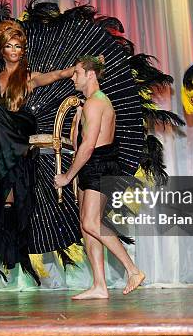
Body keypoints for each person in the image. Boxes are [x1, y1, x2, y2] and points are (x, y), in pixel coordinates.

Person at [0, 19, 76, 282]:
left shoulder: (28, 76)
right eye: (10, 46)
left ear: (23, 50)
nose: (15, 50)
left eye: (19, 46)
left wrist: (75, 69)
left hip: (21, 126)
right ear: (2, 50)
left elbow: (55, 75)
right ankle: (8, 239)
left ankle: (1, 170)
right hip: (1, 138)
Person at [54, 55, 145, 299]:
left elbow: (88, 147)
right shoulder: (89, 103)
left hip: (99, 164)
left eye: (76, 73)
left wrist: (67, 176)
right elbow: (78, 143)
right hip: (92, 165)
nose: (72, 77)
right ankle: (99, 285)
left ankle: (132, 269)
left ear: (90, 74)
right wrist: (76, 121)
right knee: (87, 226)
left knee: (91, 223)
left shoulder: (96, 102)